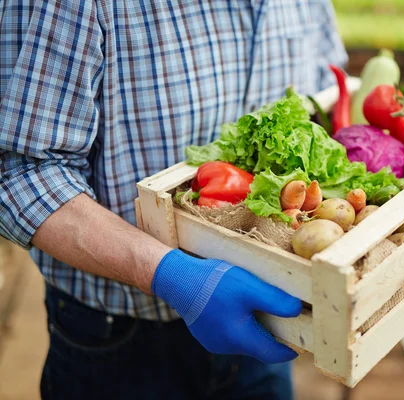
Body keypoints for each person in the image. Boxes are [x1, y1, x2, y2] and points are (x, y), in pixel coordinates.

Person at [0, 1, 348, 399]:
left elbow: (327, 91)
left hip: (263, 319)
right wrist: (175, 277)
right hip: (120, 340)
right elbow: (21, 174)